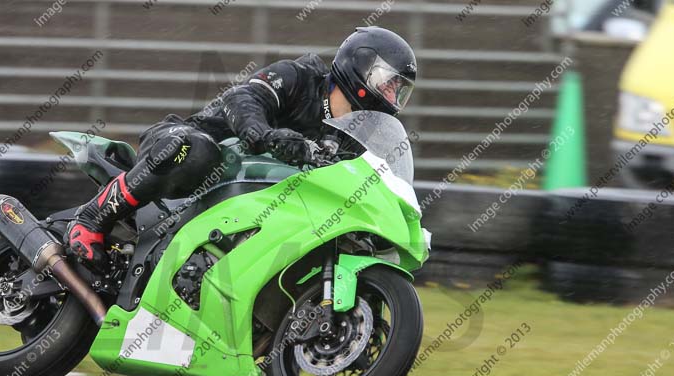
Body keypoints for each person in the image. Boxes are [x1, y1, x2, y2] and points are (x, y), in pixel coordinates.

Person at [67, 26, 418, 268]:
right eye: (389, 83)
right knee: (198, 151)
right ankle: (91, 217)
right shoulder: (298, 77)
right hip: (186, 145)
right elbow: (242, 98)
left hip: (247, 207)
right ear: (362, 67)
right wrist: (266, 136)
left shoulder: (353, 142)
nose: (393, 96)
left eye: (399, 90)